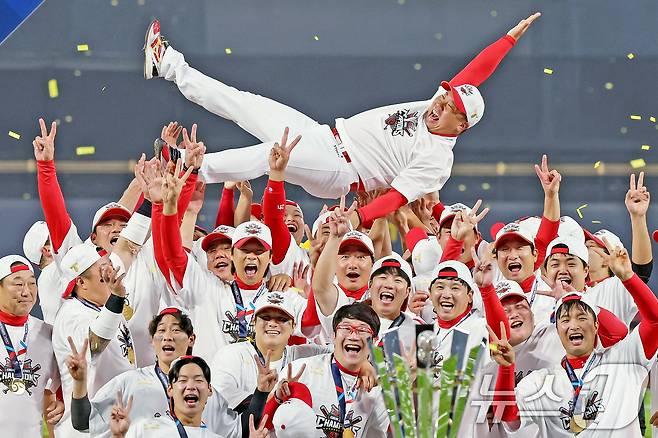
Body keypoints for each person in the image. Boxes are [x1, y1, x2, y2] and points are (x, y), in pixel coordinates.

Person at [143, 13, 541, 225]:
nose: (441, 103)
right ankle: (169, 65)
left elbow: (396, 199)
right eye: (445, 95)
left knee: (272, 155)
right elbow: (473, 74)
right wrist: (508, 40)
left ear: (461, 126)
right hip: (324, 137)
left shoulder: (438, 159)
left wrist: (356, 217)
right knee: (244, 102)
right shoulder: (435, 106)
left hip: (339, 171)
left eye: (451, 106)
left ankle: (189, 168)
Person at [492, 240, 658, 436]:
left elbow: (654, 321)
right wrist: (506, 368)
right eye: (565, 319)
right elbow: (509, 420)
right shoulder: (542, 382)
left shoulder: (623, 359)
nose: (574, 325)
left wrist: (628, 277)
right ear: (557, 329)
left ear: (596, 325)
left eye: (582, 317)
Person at [67, 307, 240, 438]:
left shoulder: (206, 393)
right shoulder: (129, 383)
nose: (167, 336)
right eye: (161, 330)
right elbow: (82, 421)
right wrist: (80, 382)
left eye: (176, 330)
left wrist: (262, 392)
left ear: (191, 339)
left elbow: (238, 431)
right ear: (152, 340)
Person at [52, 243, 136, 437]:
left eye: (109, 266)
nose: (110, 274)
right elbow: (96, 343)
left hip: (113, 421)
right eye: (102, 270)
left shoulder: (105, 306)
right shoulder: (71, 314)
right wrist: (116, 298)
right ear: (81, 282)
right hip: (86, 429)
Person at [270, 303, 389, 437]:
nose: (354, 336)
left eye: (362, 330)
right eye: (346, 328)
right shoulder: (300, 370)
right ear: (333, 335)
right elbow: (265, 426)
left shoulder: (379, 392)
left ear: (374, 341)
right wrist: (276, 399)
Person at [210, 291, 331, 413]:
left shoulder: (303, 355)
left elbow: (341, 351)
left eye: (282, 319)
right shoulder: (231, 355)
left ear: (293, 326)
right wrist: (276, 398)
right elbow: (221, 402)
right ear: (253, 321)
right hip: (244, 431)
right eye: (266, 318)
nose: (272, 324)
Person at [0, 255, 64, 436]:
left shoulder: (48, 334)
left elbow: (54, 394)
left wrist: (60, 403)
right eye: (18, 284)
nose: (27, 292)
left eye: (32, 283)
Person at [108, 355, 247, 437]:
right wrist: (118, 436)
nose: (191, 386)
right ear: (170, 390)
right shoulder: (144, 430)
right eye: (183, 380)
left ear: (210, 389)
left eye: (198, 380)